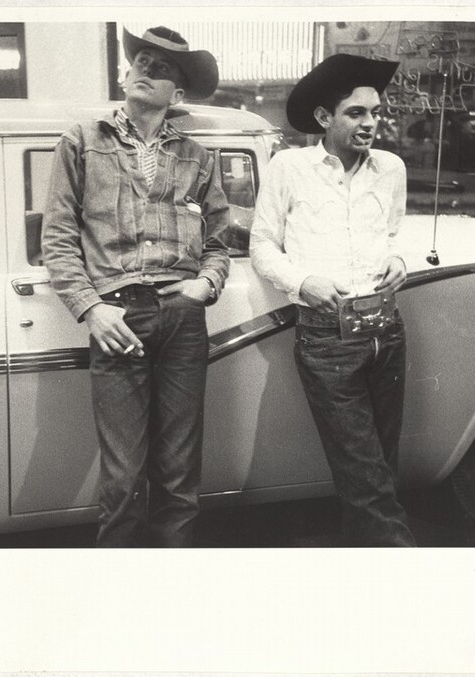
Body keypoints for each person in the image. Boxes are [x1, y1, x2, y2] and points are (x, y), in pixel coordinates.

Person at [41, 26, 229, 547]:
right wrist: (91, 310)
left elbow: (219, 241)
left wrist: (203, 287)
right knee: (122, 477)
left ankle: (168, 595)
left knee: (178, 472)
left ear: (179, 95)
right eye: (141, 61)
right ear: (127, 74)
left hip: (182, 316)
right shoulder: (82, 141)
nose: (146, 71)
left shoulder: (197, 156)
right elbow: (57, 239)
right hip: (118, 317)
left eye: (161, 69)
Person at [250, 54, 416, 547]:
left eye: (375, 112)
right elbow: (261, 245)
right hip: (327, 337)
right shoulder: (290, 167)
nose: (371, 123)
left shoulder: (390, 168)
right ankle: (405, 573)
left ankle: (364, 570)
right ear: (324, 118)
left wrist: (399, 261)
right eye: (356, 113)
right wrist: (304, 283)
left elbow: (390, 234)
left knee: (379, 467)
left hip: (387, 330)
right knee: (366, 475)